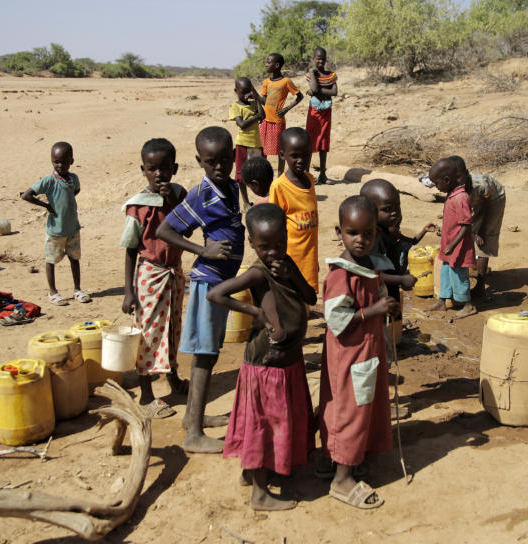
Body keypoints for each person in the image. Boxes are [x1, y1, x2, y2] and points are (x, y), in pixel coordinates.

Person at [207, 203, 317, 511]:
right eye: (265, 247)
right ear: (253, 244)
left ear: (286, 237)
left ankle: (253, 472)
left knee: (275, 421)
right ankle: (259, 492)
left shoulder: (288, 263)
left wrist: (292, 275)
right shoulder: (257, 273)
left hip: (288, 360)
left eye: (279, 244)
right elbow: (215, 294)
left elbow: (310, 297)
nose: (273, 252)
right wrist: (255, 311)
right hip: (267, 364)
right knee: (263, 425)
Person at [156, 126, 244, 452]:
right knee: (205, 356)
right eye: (211, 162)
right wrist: (200, 250)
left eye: (224, 160)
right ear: (199, 161)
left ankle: (194, 417)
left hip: (222, 282)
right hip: (209, 282)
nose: (218, 167)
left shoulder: (231, 187)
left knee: (208, 354)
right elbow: (165, 230)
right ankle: (193, 434)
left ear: (234, 156)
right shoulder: (202, 195)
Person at [320, 195, 398, 509]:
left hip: (366, 352)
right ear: (339, 231)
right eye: (353, 233)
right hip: (350, 356)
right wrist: (374, 309)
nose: (361, 240)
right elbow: (337, 320)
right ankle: (341, 479)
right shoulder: (341, 275)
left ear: (375, 234)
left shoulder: (367, 267)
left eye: (368, 234)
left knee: (362, 406)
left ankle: (341, 460)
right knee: (349, 411)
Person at [119, 138, 188, 418]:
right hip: (150, 275)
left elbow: (187, 230)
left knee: (172, 327)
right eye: (152, 169)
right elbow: (130, 249)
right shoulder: (138, 206)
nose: (158, 174)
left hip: (175, 272)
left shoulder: (180, 195)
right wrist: (128, 291)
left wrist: (172, 201)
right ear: (143, 170)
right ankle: (147, 394)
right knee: (148, 333)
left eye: (164, 168)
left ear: (174, 168)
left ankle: (172, 375)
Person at [360, 178, 436, 419]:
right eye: (387, 209)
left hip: (386, 305)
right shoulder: (372, 240)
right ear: (369, 211)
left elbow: (401, 248)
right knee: (378, 359)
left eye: (397, 207)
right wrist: (401, 281)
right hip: (375, 307)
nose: (395, 214)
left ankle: (378, 404)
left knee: (383, 357)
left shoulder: (387, 234)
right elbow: (374, 275)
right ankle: (378, 407)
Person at [20, 141, 90, 306]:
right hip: (55, 230)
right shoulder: (49, 180)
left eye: (63, 162)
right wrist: (46, 206)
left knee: (75, 258)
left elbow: (75, 191)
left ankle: (77, 290)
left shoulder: (73, 178)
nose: (59, 165)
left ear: (71, 161)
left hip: (73, 228)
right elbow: (26, 195)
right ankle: (53, 292)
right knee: (51, 260)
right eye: (55, 162)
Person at [268, 128, 319, 292]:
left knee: (306, 292)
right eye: (295, 156)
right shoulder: (279, 186)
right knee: (292, 293)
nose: (301, 160)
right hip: (290, 255)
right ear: (282, 155)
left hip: (309, 254)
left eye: (305, 155)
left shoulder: (310, 180)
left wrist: (314, 259)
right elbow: (273, 224)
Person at [426, 157, 477, 319]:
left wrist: (453, 244)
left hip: (459, 247)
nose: (436, 187)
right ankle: (443, 300)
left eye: (437, 183)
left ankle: (468, 305)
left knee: (458, 275)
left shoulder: (460, 197)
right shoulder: (451, 194)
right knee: (446, 272)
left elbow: (466, 224)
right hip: (449, 246)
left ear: (447, 180)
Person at [258, 53, 303, 176]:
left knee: (280, 151)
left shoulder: (286, 81)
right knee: (263, 150)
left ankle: (280, 176)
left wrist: (286, 109)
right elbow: (264, 101)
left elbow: (300, 96)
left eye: (268, 62)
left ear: (277, 65)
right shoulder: (266, 82)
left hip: (278, 120)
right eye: (266, 62)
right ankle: (264, 175)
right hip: (265, 121)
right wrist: (257, 101)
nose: (266, 64)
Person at [465, 168, 506, 299]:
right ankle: (475, 268)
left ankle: (480, 287)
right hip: (479, 202)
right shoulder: (452, 182)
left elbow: (486, 208)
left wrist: (481, 232)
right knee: (470, 232)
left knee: (483, 240)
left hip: (493, 201)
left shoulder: (480, 186)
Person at [228, 77, 265, 212]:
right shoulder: (235, 107)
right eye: (243, 92)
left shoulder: (254, 104)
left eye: (248, 91)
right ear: (236, 91)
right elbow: (242, 124)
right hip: (243, 144)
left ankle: (263, 198)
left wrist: (256, 98)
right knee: (241, 175)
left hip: (256, 144)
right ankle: (245, 202)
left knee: (259, 172)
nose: (246, 95)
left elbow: (263, 115)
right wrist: (256, 117)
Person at [305, 47, 339, 185]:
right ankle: (307, 174)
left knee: (324, 140)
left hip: (326, 112)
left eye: (323, 58)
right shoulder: (310, 74)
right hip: (314, 112)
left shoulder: (331, 75)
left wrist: (318, 91)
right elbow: (313, 88)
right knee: (311, 140)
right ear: (313, 59)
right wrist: (314, 78)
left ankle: (323, 174)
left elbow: (334, 92)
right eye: (318, 58)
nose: (320, 61)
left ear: (326, 59)